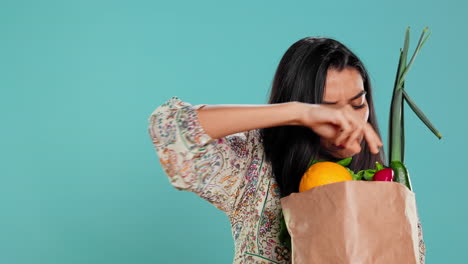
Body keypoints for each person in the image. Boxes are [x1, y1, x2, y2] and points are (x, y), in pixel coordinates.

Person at [147, 37, 426, 264]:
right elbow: (170, 129)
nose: (347, 121)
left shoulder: (385, 184)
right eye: (327, 109)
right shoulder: (253, 164)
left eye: (357, 105)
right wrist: (297, 112)